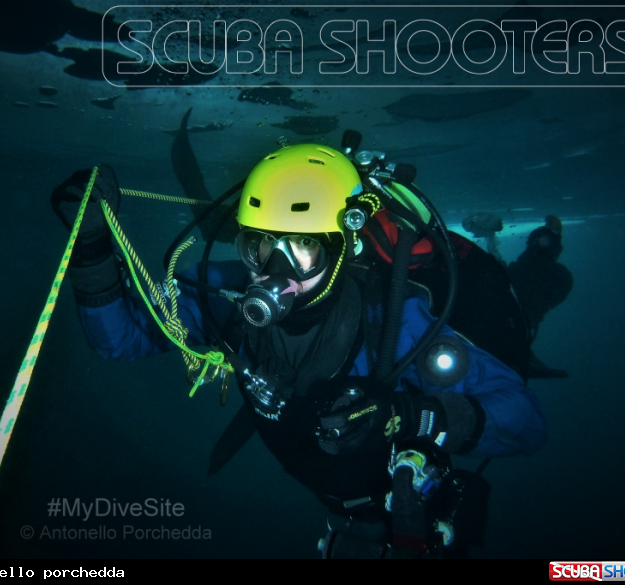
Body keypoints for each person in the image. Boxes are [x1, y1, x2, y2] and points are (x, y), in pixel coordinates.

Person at [51, 143, 547, 558]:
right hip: (337, 518)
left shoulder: (395, 320)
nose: (276, 271)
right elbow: (121, 339)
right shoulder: (226, 296)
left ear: (345, 248)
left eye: (304, 248)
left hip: (405, 520)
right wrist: (91, 247)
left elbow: (525, 420)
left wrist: (409, 415)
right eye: (260, 246)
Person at [506, 215, 573, 378]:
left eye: (545, 241)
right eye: (538, 241)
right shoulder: (522, 269)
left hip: (519, 323)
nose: (540, 245)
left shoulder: (558, 275)